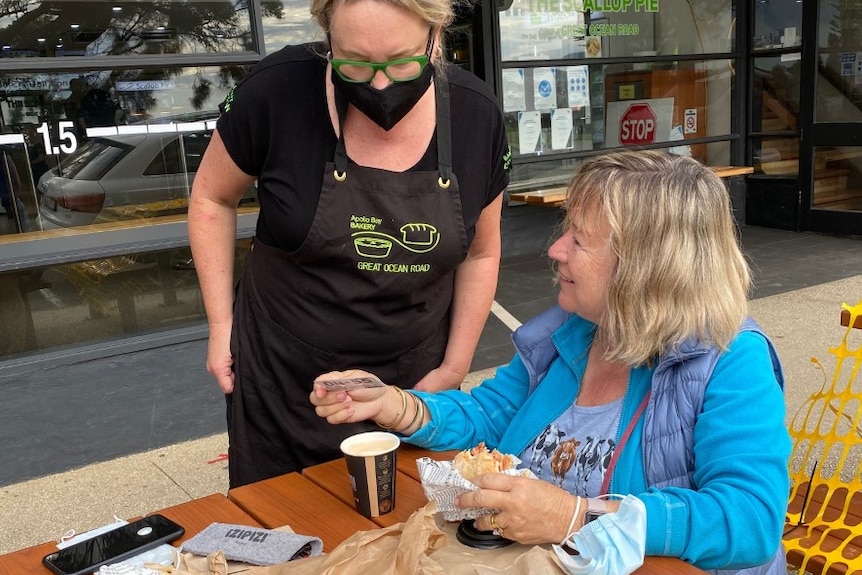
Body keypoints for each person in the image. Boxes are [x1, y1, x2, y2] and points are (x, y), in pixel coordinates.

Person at [311, 150, 791, 575]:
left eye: (579, 241)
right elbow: (489, 416)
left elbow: (749, 519)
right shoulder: (574, 330)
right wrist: (395, 405)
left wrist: (575, 515)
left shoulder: (730, 358)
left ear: (646, 266)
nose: (555, 250)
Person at [188, 0, 510, 487]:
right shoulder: (276, 91)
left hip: (415, 382)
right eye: (354, 63)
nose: (379, 84)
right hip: (282, 378)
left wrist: (454, 366)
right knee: (283, 536)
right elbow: (211, 198)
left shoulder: (475, 115)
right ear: (327, 38)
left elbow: (482, 252)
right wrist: (219, 325)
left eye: (402, 62)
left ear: (436, 38)